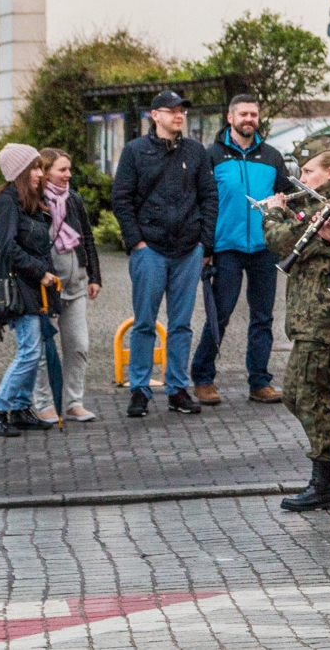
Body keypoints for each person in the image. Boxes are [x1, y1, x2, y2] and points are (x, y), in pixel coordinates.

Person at [268, 143, 330, 512]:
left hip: (327, 316)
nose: (301, 178)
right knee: (302, 394)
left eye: (308, 171)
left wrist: (274, 214)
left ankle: (325, 480)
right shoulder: (313, 207)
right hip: (309, 316)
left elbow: (278, 242)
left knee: (305, 393)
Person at [111, 89, 220, 418]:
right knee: (144, 323)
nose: (179, 115)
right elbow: (121, 199)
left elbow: (209, 197)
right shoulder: (135, 152)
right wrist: (136, 242)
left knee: (181, 324)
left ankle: (177, 389)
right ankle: (140, 390)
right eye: (171, 110)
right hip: (150, 250)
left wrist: (204, 243)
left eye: (182, 111)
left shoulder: (196, 152)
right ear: (154, 115)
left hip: (188, 250)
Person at [193, 94, 290, 406]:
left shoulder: (272, 156)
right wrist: (206, 245)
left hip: (264, 246)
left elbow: (285, 195)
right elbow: (204, 203)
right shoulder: (212, 156)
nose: (249, 119)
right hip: (227, 246)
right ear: (230, 117)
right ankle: (203, 378)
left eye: (254, 114)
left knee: (263, 316)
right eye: (244, 114)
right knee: (219, 314)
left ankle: (259, 381)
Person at [0, 144, 59, 438]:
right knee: (29, 352)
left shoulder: (27, 201)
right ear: (20, 173)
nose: (41, 174)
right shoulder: (7, 202)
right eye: (35, 168)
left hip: (33, 286)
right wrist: (40, 272)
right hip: (20, 286)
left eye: (40, 167)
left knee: (33, 348)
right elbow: (8, 247)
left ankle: (22, 408)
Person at [31, 148, 102, 424]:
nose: (68, 174)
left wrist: (94, 276)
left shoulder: (73, 200)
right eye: (62, 169)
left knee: (79, 345)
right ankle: (44, 404)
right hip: (45, 289)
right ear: (46, 171)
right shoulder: (33, 202)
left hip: (76, 285)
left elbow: (88, 239)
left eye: (69, 169)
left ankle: (74, 402)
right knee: (42, 349)